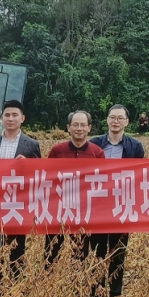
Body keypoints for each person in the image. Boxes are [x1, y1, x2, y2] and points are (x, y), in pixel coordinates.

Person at [0, 100, 41, 297]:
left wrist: (30, 166)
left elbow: (41, 175)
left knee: (17, 249)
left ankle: (15, 292)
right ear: (2, 118)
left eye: (15, 115)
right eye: (7, 115)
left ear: (22, 119)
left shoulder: (32, 145)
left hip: (19, 205)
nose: (10, 119)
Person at [89, 104, 145, 297]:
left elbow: (140, 175)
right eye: (113, 117)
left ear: (127, 122)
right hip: (97, 204)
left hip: (122, 204)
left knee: (118, 250)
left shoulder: (135, 147)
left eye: (120, 118)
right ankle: (94, 291)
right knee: (96, 250)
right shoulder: (95, 144)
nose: (116, 121)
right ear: (107, 119)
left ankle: (114, 294)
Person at [45, 110, 105, 267]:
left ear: (89, 128)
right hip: (58, 211)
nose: (79, 128)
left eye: (83, 125)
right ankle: (49, 287)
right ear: (68, 128)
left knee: (80, 253)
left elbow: (102, 182)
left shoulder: (97, 153)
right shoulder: (57, 151)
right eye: (75, 125)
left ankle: (77, 289)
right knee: (51, 253)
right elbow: (48, 178)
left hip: (84, 213)